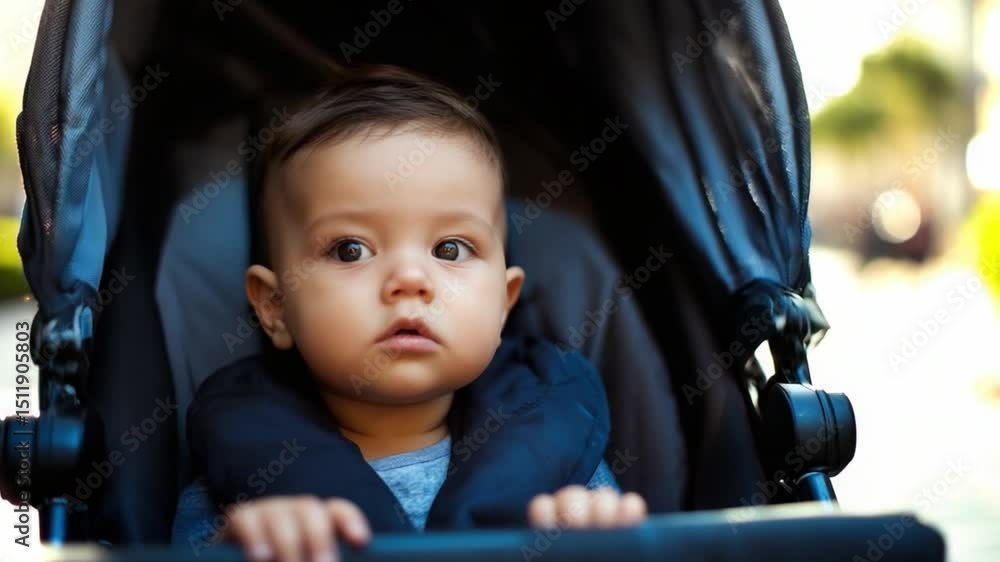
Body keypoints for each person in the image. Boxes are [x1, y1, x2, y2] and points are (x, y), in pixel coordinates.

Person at [173, 64, 647, 562]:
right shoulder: (245, 486)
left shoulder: (566, 471)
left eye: (450, 249)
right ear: (275, 308)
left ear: (504, 303)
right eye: (351, 250)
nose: (410, 279)